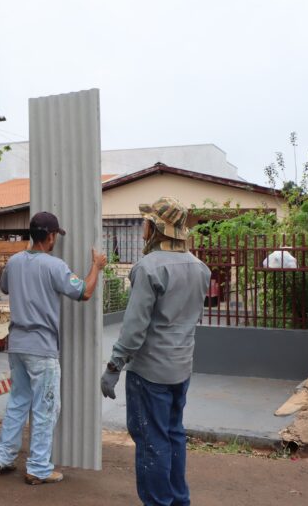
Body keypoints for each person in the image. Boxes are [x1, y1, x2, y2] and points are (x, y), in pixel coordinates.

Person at [101, 197, 211, 506]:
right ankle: (178, 500)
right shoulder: (200, 268)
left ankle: (158, 502)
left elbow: (134, 328)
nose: (142, 229)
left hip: (149, 373)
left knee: (152, 442)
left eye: (145, 223)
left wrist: (113, 367)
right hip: (181, 369)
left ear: (156, 229)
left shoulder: (148, 267)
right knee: (174, 434)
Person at [0, 211, 107, 485]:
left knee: (18, 402)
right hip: (41, 349)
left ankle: (4, 456)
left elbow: (5, 287)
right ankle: (38, 468)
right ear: (51, 236)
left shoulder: (14, 261)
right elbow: (85, 292)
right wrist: (96, 267)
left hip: (17, 345)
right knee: (45, 408)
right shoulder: (54, 266)